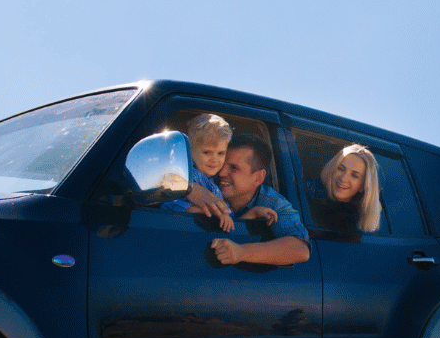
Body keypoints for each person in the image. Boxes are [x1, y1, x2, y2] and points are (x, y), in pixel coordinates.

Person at [209, 135, 309, 267]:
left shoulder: (273, 204)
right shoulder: (208, 185)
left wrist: (241, 252)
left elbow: (300, 249)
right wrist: (195, 192)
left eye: (233, 168)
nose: (221, 173)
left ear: (258, 177)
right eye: (221, 164)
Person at [161, 111, 236, 231]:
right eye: (207, 152)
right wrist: (207, 211)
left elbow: (228, 218)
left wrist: (251, 214)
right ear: (190, 150)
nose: (214, 159)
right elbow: (169, 206)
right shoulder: (186, 176)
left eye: (220, 153)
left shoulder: (214, 181)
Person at [316, 144, 383, 234]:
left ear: (363, 186)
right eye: (341, 169)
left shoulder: (358, 221)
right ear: (332, 169)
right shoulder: (307, 192)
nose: (343, 178)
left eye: (354, 175)